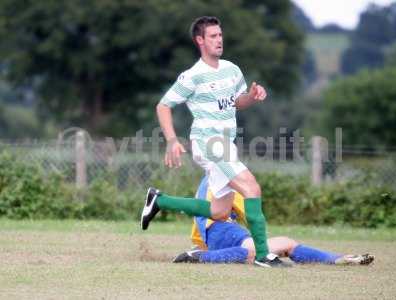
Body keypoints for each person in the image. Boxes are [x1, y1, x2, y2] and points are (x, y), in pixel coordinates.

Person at [140, 16, 284, 267]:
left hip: (226, 144)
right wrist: (172, 140)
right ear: (200, 41)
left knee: (219, 211)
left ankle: (159, 201)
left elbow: (238, 102)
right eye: (213, 36)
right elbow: (163, 105)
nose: (219, 40)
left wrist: (251, 95)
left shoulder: (232, 69)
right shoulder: (192, 76)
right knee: (252, 188)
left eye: (220, 35)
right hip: (209, 142)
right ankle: (262, 255)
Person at [172, 176, 375, 266]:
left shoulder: (211, 177)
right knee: (256, 252)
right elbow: (251, 216)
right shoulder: (227, 176)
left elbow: (200, 219)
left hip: (219, 234)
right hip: (226, 231)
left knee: (285, 244)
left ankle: (338, 259)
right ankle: (198, 258)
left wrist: (202, 242)